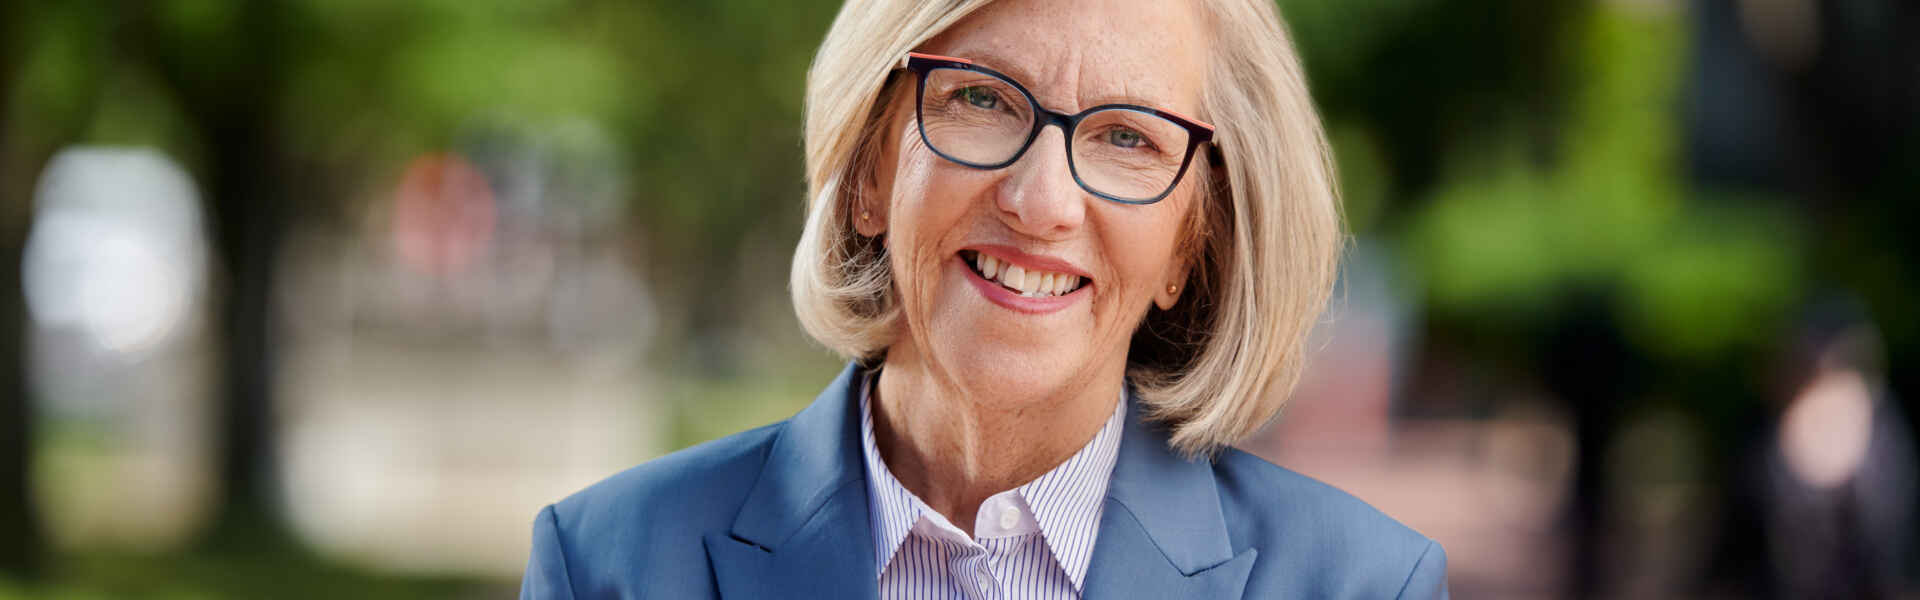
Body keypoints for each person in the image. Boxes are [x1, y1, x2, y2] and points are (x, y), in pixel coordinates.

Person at [519, 0, 1449, 597]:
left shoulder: (1361, 584)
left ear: (1188, 247)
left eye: (1128, 138)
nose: (1040, 202)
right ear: (870, 171)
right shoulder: (611, 564)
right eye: (981, 100)